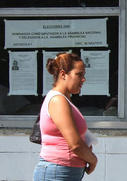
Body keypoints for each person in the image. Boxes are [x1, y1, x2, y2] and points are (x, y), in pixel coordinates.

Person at [33, 53, 98, 181]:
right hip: (58, 172)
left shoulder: (65, 100)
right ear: (63, 74)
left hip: (64, 171)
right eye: (79, 74)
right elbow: (75, 144)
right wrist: (93, 160)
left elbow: (81, 136)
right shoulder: (58, 101)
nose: (83, 79)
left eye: (83, 75)